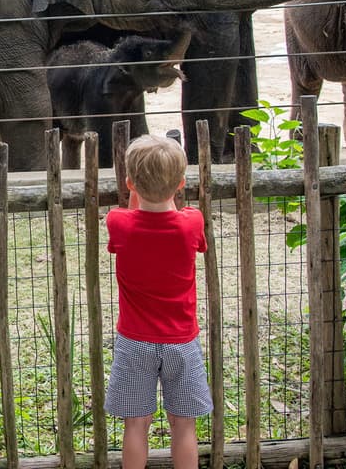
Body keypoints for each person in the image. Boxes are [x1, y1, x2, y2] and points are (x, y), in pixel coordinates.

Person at [104, 134, 213, 469]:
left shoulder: (118, 222)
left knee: (136, 424)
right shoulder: (190, 223)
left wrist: (138, 194)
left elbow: (132, 215)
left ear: (129, 183)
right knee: (184, 425)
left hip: (135, 341)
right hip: (182, 341)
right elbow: (185, 225)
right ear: (181, 184)